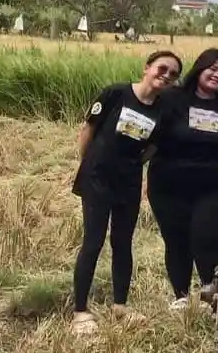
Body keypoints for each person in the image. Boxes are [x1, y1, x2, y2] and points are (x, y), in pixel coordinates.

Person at [69, 50, 182, 335]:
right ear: (147, 68)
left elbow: (154, 146)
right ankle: (80, 311)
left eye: (173, 74)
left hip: (128, 182)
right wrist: (87, 164)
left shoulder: (163, 111)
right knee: (93, 242)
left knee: (123, 243)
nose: (166, 75)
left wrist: (133, 165)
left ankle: (120, 306)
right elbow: (88, 130)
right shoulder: (116, 93)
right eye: (162, 68)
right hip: (98, 178)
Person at [146, 48, 218, 310]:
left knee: (207, 238)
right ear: (199, 69)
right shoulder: (172, 98)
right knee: (176, 240)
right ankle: (180, 296)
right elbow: (150, 127)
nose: (217, 75)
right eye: (212, 69)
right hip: (168, 184)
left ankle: (211, 293)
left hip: (212, 185)